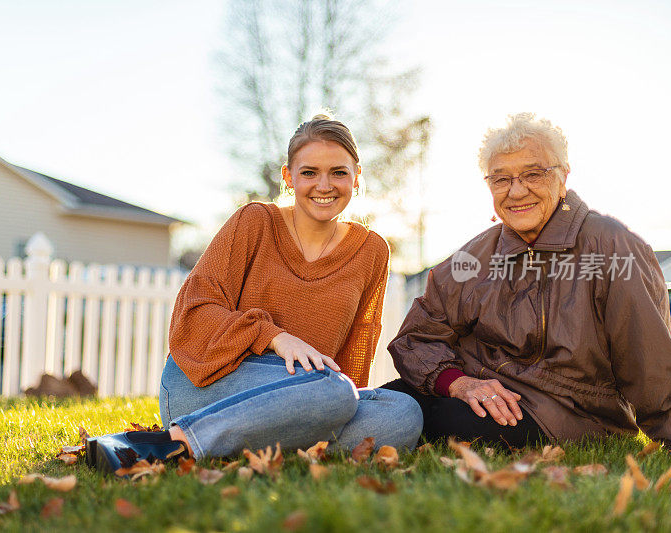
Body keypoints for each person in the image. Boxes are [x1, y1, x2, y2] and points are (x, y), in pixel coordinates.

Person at [86, 114, 422, 473]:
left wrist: (326, 405)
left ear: (356, 176)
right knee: (335, 390)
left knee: (403, 411)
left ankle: (251, 440)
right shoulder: (254, 222)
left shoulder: (372, 250)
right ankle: (178, 442)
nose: (324, 185)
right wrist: (275, 337)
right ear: (288, 177)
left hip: (309, 396)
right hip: (206, 381)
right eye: (309, 172)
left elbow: (355, 354)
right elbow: (193, 312)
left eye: (338, 172)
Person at [383, 112, 671, 448]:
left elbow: (648, 361)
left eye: (533, 174)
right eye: (501, 179)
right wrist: (458, 383)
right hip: (477, 391)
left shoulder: (613, 246)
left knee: (442, 423)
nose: (516, 191)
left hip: (570, 411)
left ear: (563, 176)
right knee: (383, 407)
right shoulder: (475, 255)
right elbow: (416, 338)